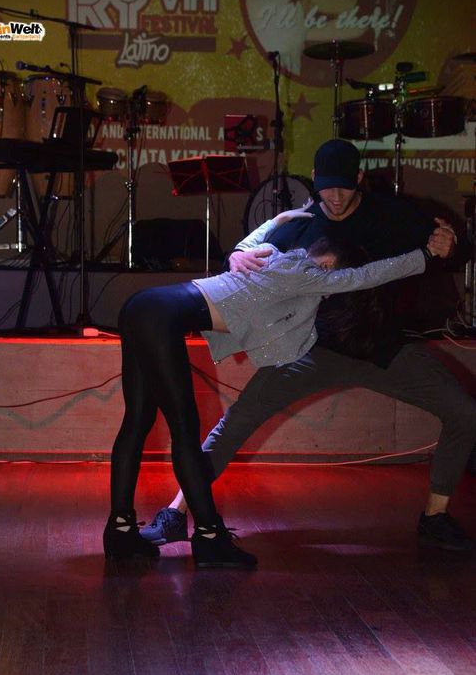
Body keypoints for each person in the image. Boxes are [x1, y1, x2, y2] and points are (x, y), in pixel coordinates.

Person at [140, 139, 476, 553]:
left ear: (359, 179)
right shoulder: (300, 223)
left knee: (464, 412)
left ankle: (436, 516)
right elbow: (250, 256)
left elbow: (454, 247)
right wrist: (236, 256)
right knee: (237, 422)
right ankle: (176, 513)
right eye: (326, 187)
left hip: (383, 349)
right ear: (315, 179)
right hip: (309, 350)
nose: (334, 197)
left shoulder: (393, 214)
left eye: (344, 187)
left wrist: (451, 244)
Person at [106, 232, 442, 569]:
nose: (329, 292)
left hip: (140, 306)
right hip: (159, 318)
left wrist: (282, 220)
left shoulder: (276, 259)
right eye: (333, 283)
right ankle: (209, 538)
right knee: (184, 432)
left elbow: (262, 235)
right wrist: (425, 256)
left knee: (137, 421)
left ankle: (120, 533)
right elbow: (365, 276)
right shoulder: (306, 273)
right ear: (327, 265)